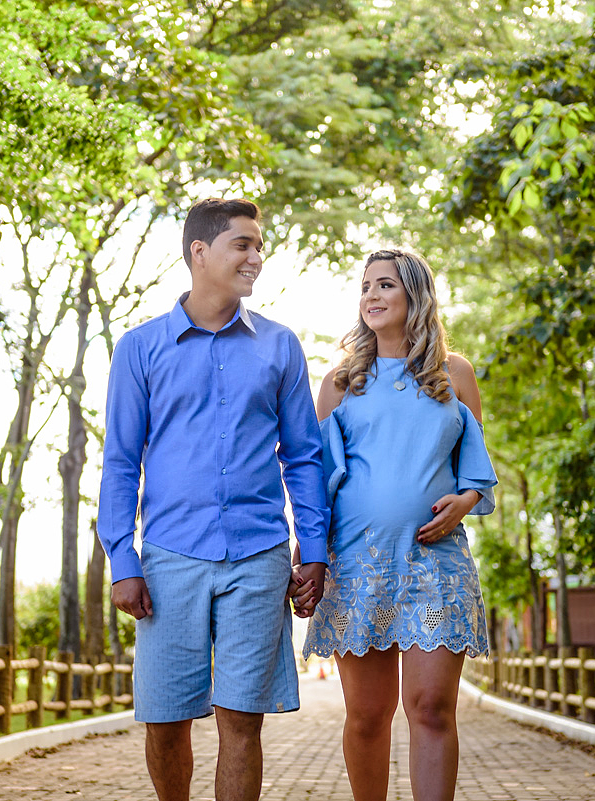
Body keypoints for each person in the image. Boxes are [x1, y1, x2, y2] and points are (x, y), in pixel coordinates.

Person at [97, 198, 329, 801]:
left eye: (259, 245)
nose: (256, 256)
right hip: (170, 557)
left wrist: (316, 550)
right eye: (243, 244)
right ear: (200, 252)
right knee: (166, 719)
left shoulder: (280, 347)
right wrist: (123, 560)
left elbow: (302, 456)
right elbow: (121, 462)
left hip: (260, 554)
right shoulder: (140, 349)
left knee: (240, 721)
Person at [292, 248, 497, 801]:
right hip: (359, 569)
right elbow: (316, 483)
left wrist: (465, 499)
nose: (371, 296)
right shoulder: (340, 383)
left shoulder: (454, 375)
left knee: (430, 707)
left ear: (416, 296)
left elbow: (475, 466)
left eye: (385, 285)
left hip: (434, 569)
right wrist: (306, 555)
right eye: (365, 288)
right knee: (367, 715)